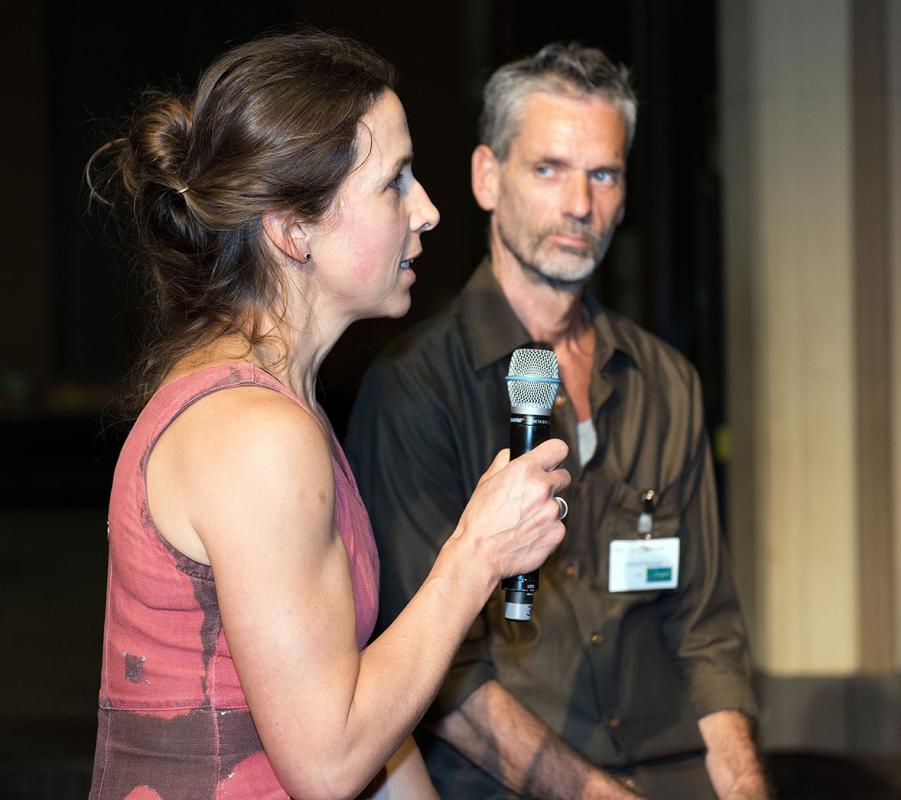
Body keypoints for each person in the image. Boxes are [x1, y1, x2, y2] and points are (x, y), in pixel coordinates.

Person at [87, 31, 570, 800]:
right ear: (292, 229)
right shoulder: (255, 433)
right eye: (395, 182)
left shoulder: (280, 404)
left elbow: (356, 709)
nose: (429, 211)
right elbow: (329, 761)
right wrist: (476, 553)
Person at [347, 42, 768, 800]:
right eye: (549, 169)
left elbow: (707, 635)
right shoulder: (415, 388)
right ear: (486, 177)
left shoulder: (665, 382)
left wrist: (742, 789)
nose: (580, 204)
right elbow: (438, 675)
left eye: (602, 174)